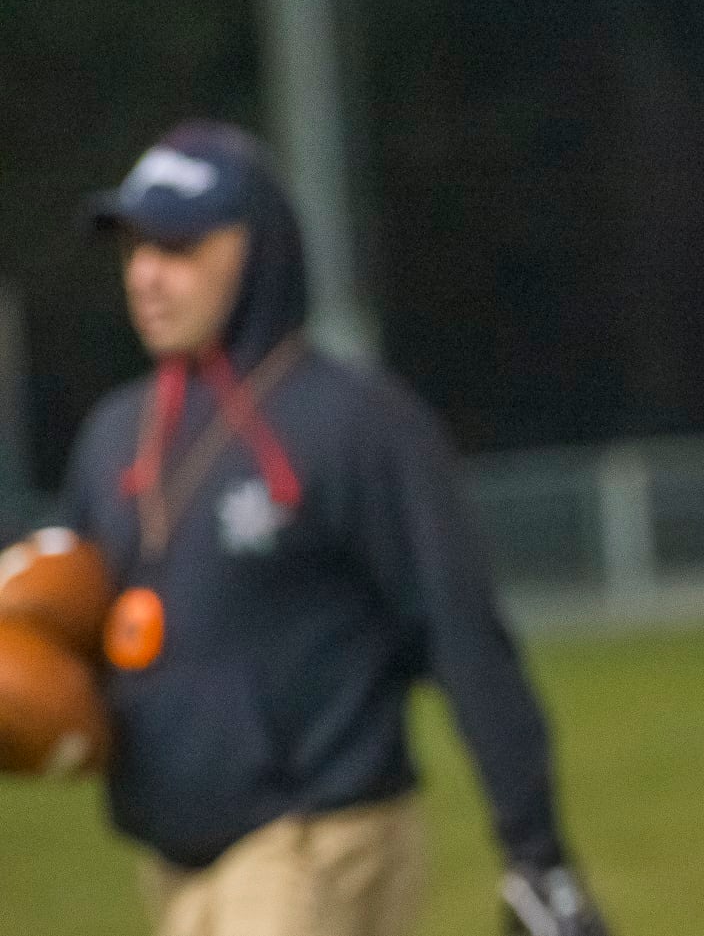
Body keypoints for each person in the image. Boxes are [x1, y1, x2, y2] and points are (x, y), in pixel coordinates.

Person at [57, 122, 608, 936]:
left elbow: (463, 636)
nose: (145, 274)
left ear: (258, 249)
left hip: (315, 841)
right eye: (134, 247)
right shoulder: (115, 434)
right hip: (169, 863)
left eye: (177, 246)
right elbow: (72, 629)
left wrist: (537, 852)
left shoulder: (355, 423)